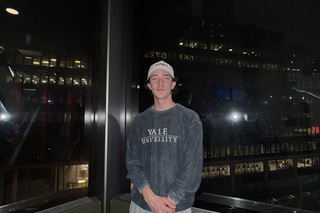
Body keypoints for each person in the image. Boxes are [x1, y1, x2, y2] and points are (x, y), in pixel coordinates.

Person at [126, 60, 203, 213]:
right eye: (154, 78)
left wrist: (170, 201)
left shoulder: (189, 119)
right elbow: (132, 162)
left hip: (175, 208)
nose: (160, 82)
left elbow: (192, 168)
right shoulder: (139, 121)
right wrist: (150, 197)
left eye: (166, 77)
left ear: (173, 84)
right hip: (141, 204)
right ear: (149, 85)